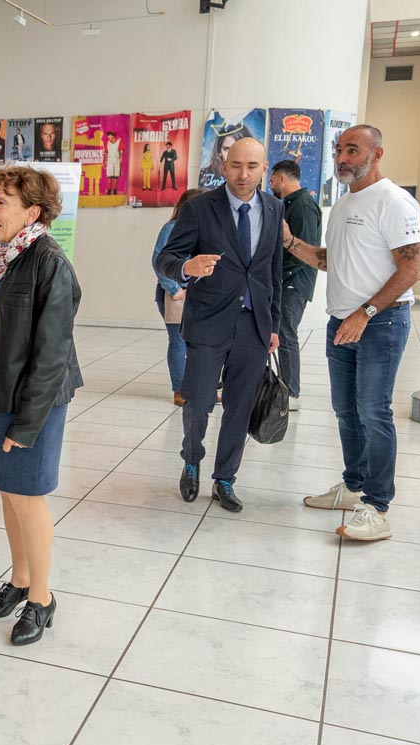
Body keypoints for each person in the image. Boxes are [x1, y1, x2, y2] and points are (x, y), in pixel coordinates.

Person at [0, 166, 82, 645]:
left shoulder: (49, 262)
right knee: (8, 491)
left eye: (1, 202)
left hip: (36, 401)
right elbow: (2, 330)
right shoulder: (3, 259)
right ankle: (19, 580)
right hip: (1, 390)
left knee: (28, 497)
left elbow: (52, 355)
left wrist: (27, 425)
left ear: (32, 212)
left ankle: (41, 598)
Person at [286, 125, 420, 542]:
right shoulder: (344, 203)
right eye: (338, 150)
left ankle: (377, 507)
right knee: (346, 411)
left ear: (376, 154)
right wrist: (290, 242)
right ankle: (353, 485)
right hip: (342, 322)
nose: (342, 158)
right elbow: (331, 260)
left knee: (373, 412)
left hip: (380, 322)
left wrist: (365, 313)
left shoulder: (394, 201)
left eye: (352, 150)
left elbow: (410, 270)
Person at [156, 137, 283, 514]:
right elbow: (165, 258)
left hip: (253, 325)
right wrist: (186, 267)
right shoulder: (199, 208)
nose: (243, 174)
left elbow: (273, 271)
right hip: (208, 321)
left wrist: (273, 323)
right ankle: (191, 461)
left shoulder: (274, 207)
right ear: (224, 167)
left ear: (264, 169)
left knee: (240, 406)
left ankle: (225, 478)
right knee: (198, 402)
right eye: (236, 165)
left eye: (252, 166)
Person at [270, 159, 322, 410]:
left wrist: (279, 276)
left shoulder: (303, 206)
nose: (270, 186)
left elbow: (305, 251)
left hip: (294, 281)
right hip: (287, 280)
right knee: (281, 333)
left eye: (272, 181)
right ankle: (283, 387)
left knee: (286, 334)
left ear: (282, 178)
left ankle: (291, 392)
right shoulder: (292, 204)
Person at [153, 188, 204, 406]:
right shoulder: (171, 228)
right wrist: (174, 289)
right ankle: (180, 390)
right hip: (176, 294)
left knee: (200, 344)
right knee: (178, 342)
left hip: (199, 294)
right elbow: (158, 260)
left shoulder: (204, 228)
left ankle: (200, 389)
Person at [104, 131, 123, 195]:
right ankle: (109, 190)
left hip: (116, 160)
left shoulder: (119, 141)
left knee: (115, 176)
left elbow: (121, 151)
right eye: (108, 135)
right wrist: (106, 160)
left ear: (113, 135)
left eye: (109, 135)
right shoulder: (108, 142)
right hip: (110, 160)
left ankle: (115, 190)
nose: (108, 136)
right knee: (109, 176)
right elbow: (106, 152)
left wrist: (121, 159)